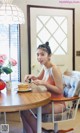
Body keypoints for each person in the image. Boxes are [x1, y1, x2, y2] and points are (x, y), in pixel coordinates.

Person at [21, 42, 65, 133]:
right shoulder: (45, 67)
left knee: (26, 111)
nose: (39, 57)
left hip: (57, 103)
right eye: (37, 54)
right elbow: (38, 78)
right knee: (23, 109)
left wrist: (44, 83)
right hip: (48, 101)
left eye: (42, 54)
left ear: (49, 56)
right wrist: (31, 76)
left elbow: (60, 89)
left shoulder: (54, 69)